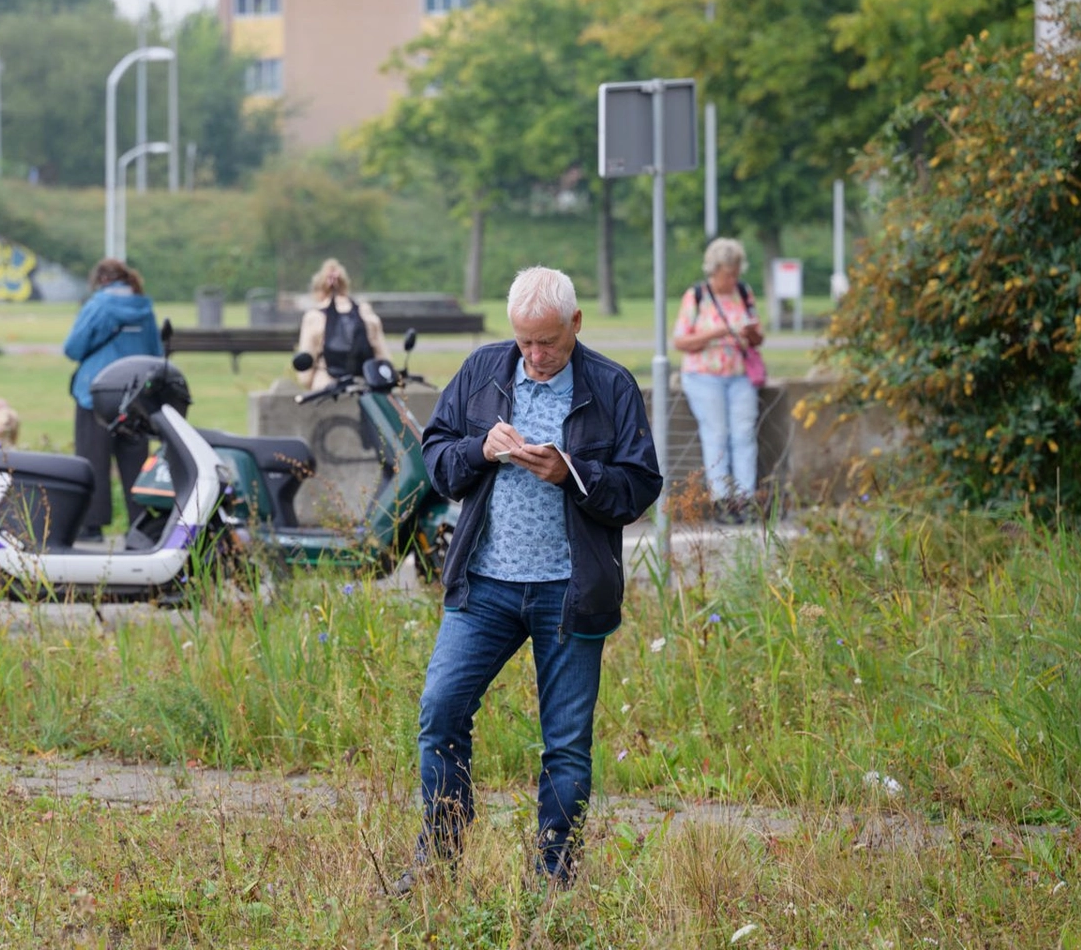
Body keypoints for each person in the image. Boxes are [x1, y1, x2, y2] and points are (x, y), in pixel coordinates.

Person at [399, 266, 662, 893]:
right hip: (483, 584)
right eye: (525, 342)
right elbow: (437, 460)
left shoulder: (612, 385)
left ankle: (554, 879)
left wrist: (572, 474)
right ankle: (438, 862)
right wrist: (479, 450)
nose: (536, 356)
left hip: (571, 590)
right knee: (440, 710)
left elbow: (640, 487)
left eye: (548, 341)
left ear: (575, 323)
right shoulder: (482, 372)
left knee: (566, 744)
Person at [63, 258, 162, 541]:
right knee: (135, 460)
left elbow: (73, 348)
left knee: (92, 459)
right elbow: (156, 351)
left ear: (101, 280)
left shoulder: (98, 306)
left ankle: (91, 527)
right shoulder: (144, 307)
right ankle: (140, 527)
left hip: (96, 393)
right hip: (135, 394)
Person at [674, 237, 767, 523]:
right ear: (715, 270)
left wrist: (750, 332)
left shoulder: (743, 292)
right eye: (728, 273)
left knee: (743, 434)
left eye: (736, 272)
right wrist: (719, 333)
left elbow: (759, 337)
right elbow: (680, 340)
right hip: (704, 376)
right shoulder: (697, 296)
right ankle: (721, 499)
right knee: (716, 434)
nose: (733, 278)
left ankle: (745, 498)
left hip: (738, 374)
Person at [294, 258, 390, 390]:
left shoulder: (314, 317)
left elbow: (305, 375)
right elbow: (383, 357)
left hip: (329, 385)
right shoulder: (365, 313)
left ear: (318, 289)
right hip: (366, 385)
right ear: (345, 285)